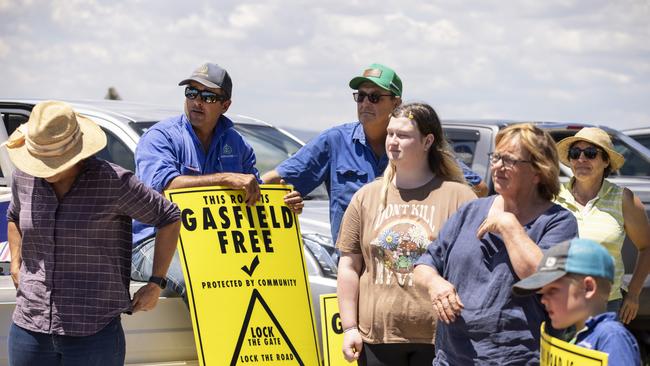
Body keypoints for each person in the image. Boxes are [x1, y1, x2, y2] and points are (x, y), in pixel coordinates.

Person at [3, 100, 181, 366]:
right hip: (30, 327)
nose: (43, 167)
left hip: (94, 334)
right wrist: (16, 261)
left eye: (52, 160)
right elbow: (15, 216)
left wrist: (156, 283)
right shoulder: (24, 176)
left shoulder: (114, 182)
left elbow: (169, 216)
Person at [131, 62, 303, 301]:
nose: (196, 101)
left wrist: (284, 203)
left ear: (225, 105)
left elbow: (253, 195)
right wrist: (224, 178)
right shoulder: (161, 137)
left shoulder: (238, 144)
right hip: (152, 241)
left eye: (208, 96)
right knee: (199, 277)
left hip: (213, 242)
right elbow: (163, 187)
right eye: (191, 93)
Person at [261, 63, 487, 241]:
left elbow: (478, 190)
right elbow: (274, 181)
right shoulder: (335, 141)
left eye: (375, 97)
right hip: (351, 267)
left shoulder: (420, 145)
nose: (365, 103)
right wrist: (286, 199)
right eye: (361, 96)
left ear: (397, 102)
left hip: (405, 270)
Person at [413, 123, 579, 365]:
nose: (498, 166)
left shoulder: (558, 222)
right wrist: (434, 283)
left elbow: (543, 278)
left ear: (538, 171)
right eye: (496, 157)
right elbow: (425, 264)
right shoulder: (471, 210)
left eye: (509, 160)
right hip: (452, 357)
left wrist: (509, 226)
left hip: (517, 359)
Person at [336, 103, 477, 365]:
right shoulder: (366, 197)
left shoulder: (460, 197)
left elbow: (475, 269)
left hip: (440, 338)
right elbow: (349, 265)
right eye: (390, 134)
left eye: (403, 135)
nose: (392, 142)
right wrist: (349, 328)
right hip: (377, 338)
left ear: (427, 141)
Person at [555, 127, 650, 324]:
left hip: (605, 307)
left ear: (606, 161)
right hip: (558, 303)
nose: (581, 159)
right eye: (575, 153)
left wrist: (633, 293)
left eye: (590, 153)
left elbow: (646, 247)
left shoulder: (624, 199)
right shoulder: (553, 196)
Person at [512, 238, 641, 366]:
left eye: (553, 290)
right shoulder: (579, 340)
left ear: (588, 287)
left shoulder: (611, 336)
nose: (544, 299)